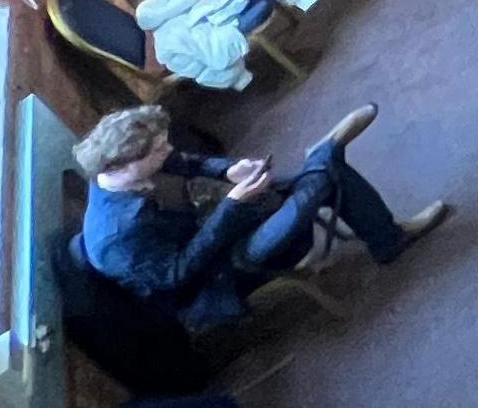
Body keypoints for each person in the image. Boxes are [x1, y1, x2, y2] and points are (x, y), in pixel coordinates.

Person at [73, 101, 448, 331]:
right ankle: (331, 168)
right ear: (123, 163)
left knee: (308, 182)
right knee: (321, 183)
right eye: (156, 150)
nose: (167, 151)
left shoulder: (112, 176)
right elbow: (178, 275)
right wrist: (232, 205)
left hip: (209, 232)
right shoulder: (115, 239)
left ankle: (330, 170)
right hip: (222, 276)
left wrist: (227, 171)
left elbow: (180, 160)